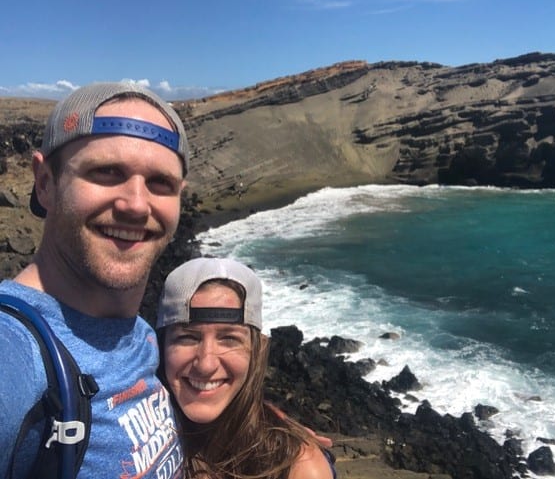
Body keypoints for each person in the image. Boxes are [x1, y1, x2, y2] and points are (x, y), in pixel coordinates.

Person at [0, 82, 188, 478]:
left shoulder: (141, 336)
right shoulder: (15, 354)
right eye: (106, 172)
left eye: (160, 183)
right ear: (45, 182)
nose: (136, 205)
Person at [156, 257, 336, 479]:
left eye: (229, 339)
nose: (206, 364)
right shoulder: (138, 434)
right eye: (187, 338)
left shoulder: (296, 468)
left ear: (257, 350)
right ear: (159, 346)